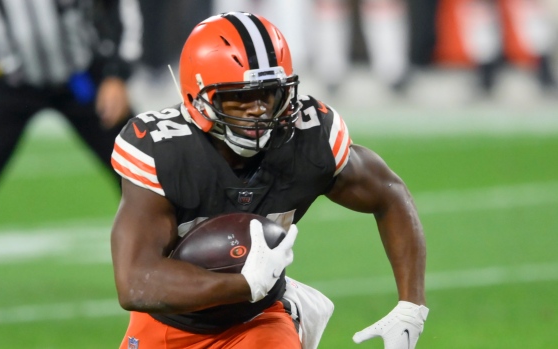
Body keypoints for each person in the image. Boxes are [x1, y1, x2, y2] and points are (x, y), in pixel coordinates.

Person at [110, 11, 428, 349]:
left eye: (268, 93)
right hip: (171, 323)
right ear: (199, 96)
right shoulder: (166, 150)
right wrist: (244, 284)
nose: (258, 109)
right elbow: (135, 282)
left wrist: (411, 305)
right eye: (240, 96)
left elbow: (389, 194)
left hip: (258, 319)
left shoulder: (309, 138)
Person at [0, 0, 133, 312]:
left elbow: (115, 7)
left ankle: (173, 261)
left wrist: (117, 74)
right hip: (8, 83)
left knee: (140, 166)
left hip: (80, 78)